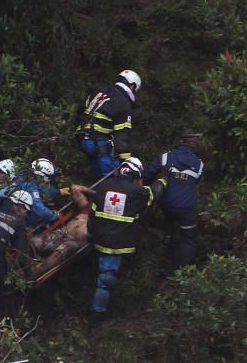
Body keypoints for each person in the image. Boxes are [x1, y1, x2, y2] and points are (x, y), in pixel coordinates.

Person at [73, 157, 164, 323]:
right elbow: (153, 194)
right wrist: (163, 180)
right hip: (118, 244)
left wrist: (92, 234)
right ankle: (96, 315)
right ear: (136, 175)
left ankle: (91, 304)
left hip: (98, 239)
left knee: (100, 273)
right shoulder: (137, 192)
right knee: (106, 278)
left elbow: (92, 216)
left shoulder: (103, 186)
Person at [143, 131, 205, 268]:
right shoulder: (199, 165)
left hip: (165, 204)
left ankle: (165, 240)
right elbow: (195, 181)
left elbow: (147, 176)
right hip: (186, 208)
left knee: (170, 218)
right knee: (189, 238)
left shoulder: (166, 157)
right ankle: (181, 270)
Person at [75, 69, 141, 177]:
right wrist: (127, 161)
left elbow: (80, 112)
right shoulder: (124, 102)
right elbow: (122, 135)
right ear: (132, 86)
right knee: (115, 178)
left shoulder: (98, 92)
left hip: (81, 139)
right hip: (98, 144)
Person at [30, 183, 92, 279]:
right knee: (34, 242)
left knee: (61, 251)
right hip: (61, 233)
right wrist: (96, 193)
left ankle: (30, 278)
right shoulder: (89, 207)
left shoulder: (108, 222)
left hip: (77, 242)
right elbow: (74, 188)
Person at [0, 158, 59, 230]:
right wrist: (53, 215)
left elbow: (42, 189)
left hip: (3, 213)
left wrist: (58, 191)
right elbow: (38, 208)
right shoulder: (31, 186)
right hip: (18, 222)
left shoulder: (21, 177)